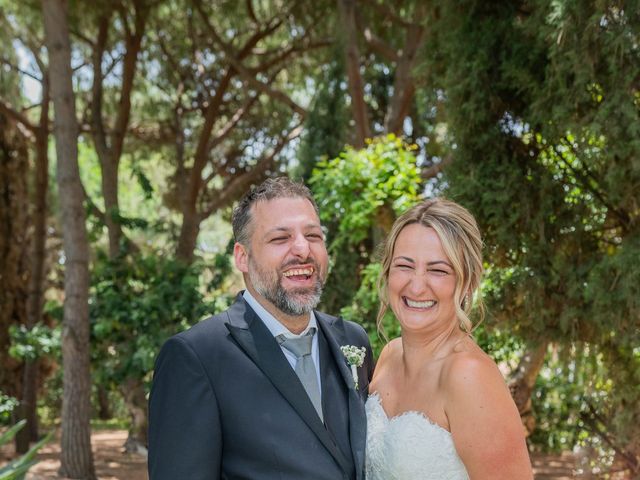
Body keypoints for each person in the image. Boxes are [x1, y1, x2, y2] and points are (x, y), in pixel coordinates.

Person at [148, 177, 373, 480]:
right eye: (280, 239)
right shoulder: (195, 357)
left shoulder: (353, 340)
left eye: (313, 235)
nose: (303, 250)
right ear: (242, 257)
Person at [366, 198, 533, 480]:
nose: (417, 286)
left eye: (438, 270)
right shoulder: (389, 356)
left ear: (466, 281)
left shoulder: (468, 375)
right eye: (405, 266)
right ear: (388, 272)